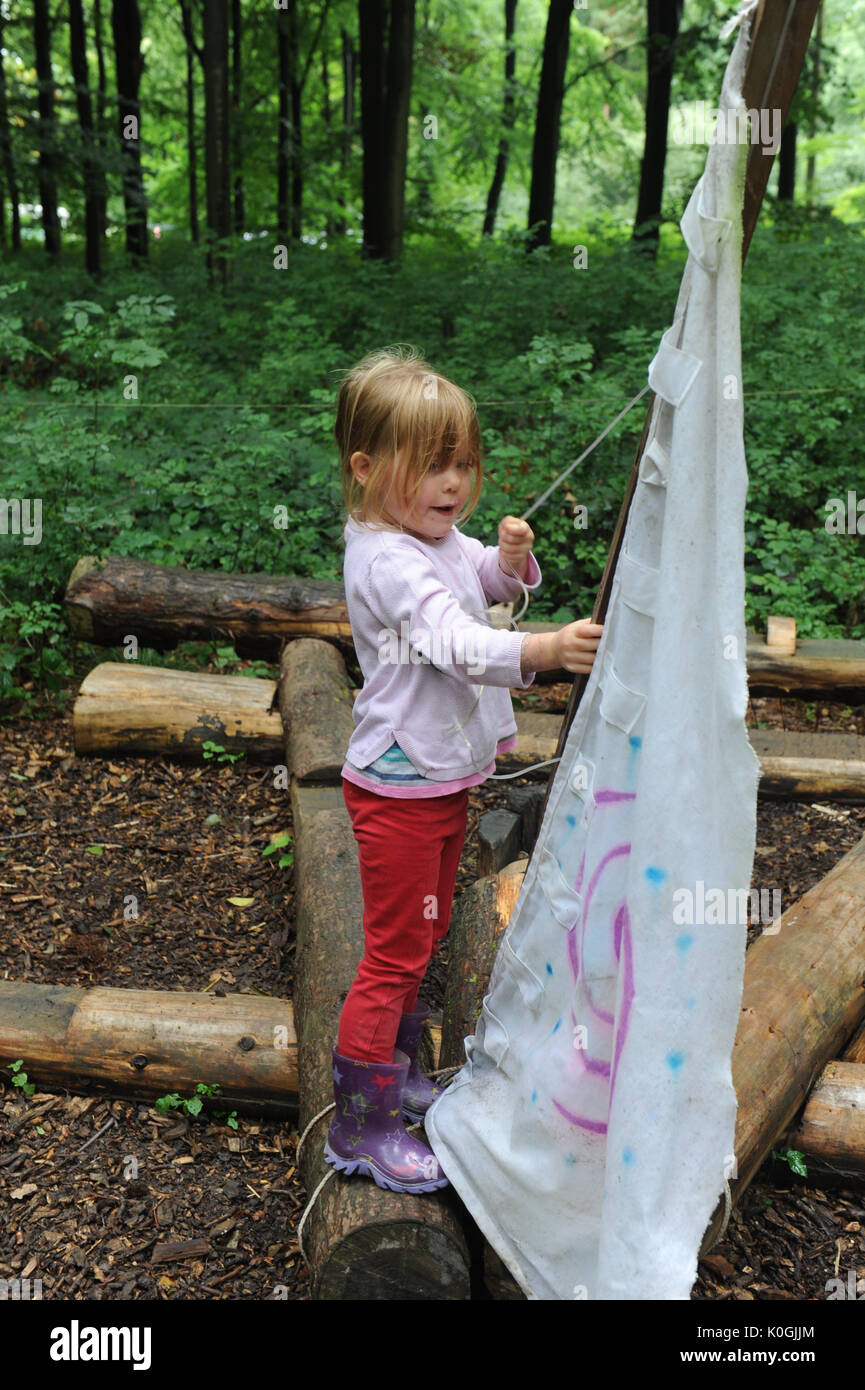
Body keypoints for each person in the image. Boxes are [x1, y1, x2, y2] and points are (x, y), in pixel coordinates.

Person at [325, 347, 603, 1194]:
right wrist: (544, 649)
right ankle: (360, 1123)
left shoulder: (428, 536)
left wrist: (510, 562)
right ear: (367, 470)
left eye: (462, 465)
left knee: (424, 934)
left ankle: (397, 1071)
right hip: (400, 787)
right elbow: (452, 639)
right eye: (431, 468)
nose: (453, 484)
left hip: (437, 778)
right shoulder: (388, 560)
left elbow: (478, 577)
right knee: (394, 954)